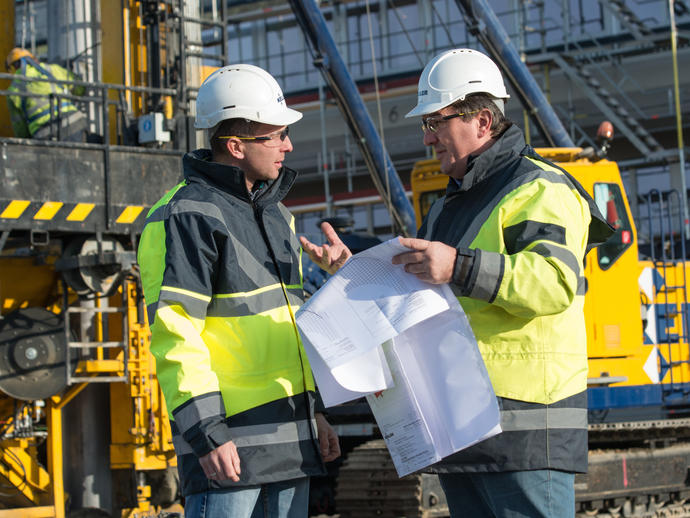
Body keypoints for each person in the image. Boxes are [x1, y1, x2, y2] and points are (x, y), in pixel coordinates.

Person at [301, 48, 612, 517]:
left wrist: (459, 266)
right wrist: (354, 269)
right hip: (460, 421)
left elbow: (553, 283)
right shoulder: (450, 204)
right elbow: (418, 289)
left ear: (482, 121)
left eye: (435, 123)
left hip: (523, 425)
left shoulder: (541, 189)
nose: (427, 138)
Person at [137, 63, 340, 518]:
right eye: (275, 135)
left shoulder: (278, 216)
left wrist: (317, 413)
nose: (288, 145)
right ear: (235, 145)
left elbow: (288, 329)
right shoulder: (186, 215)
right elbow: (176, 335)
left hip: (290, 441)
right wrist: (206, 431)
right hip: (227, 448)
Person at [5, 47, 87, 142]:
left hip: (44, 134)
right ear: (32, 58)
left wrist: (26, 142)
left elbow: (20, 128)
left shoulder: (13, 90)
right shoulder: (52, 69)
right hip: (74, 123)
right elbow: (80, 88)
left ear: (12, 68)